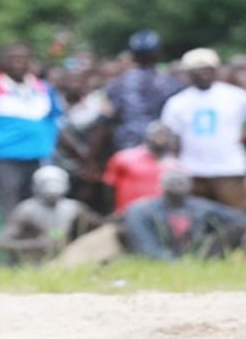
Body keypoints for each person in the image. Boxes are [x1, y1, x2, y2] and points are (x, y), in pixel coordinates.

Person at [0, 44, 64, 227]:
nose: (18, 63)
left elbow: (54, 120)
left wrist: (48, 144)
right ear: (2, 62)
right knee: (9, 213)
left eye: (23, 58)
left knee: (40, 211)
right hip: (5, 162)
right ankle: (9, 253)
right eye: (13, 58)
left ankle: (37, 252)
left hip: (39, 160)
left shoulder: (44, 89)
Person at [160, 48, 246, 209]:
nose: (203, 74)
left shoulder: (236, 97)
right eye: (197, 71)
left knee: (235, 218)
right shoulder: (177, 102)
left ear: (215, 71)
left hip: (229, 169)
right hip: (192, 171)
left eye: (207, 70)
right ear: (188, 73)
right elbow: (171, 137)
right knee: (197, 219)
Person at [124, 169, 246, 261]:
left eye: (180, 182)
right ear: (162, 185)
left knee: (238, 230)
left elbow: (237, 219)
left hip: (198, 251)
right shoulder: (143, 210)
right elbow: (146, 242)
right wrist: (166, 259)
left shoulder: (200, 207)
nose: (177, 185)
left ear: (190, 185)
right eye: (173, 182)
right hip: (162, 249)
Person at [95, 30, 182, 159]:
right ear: (159, 55)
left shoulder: (117, 85)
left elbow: (103, 122)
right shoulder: (172, 84)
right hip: (161, 154)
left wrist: (91, 159)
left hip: (127, 152)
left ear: (133, 56)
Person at [0, 165, 102, 264]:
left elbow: (101, 226)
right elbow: (2, 243)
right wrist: (35, 244)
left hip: (68, 260)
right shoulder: (26, 210)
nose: (52, 189)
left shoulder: (73, 208)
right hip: (34, 263)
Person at [103, 122, 174, 214]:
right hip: (125, 215)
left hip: (160, 219)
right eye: (157, 134)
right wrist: (112, 210)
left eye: (164, 135)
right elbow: (109, 186)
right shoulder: (124, 158)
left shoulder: (175, 167)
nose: (160, 137)